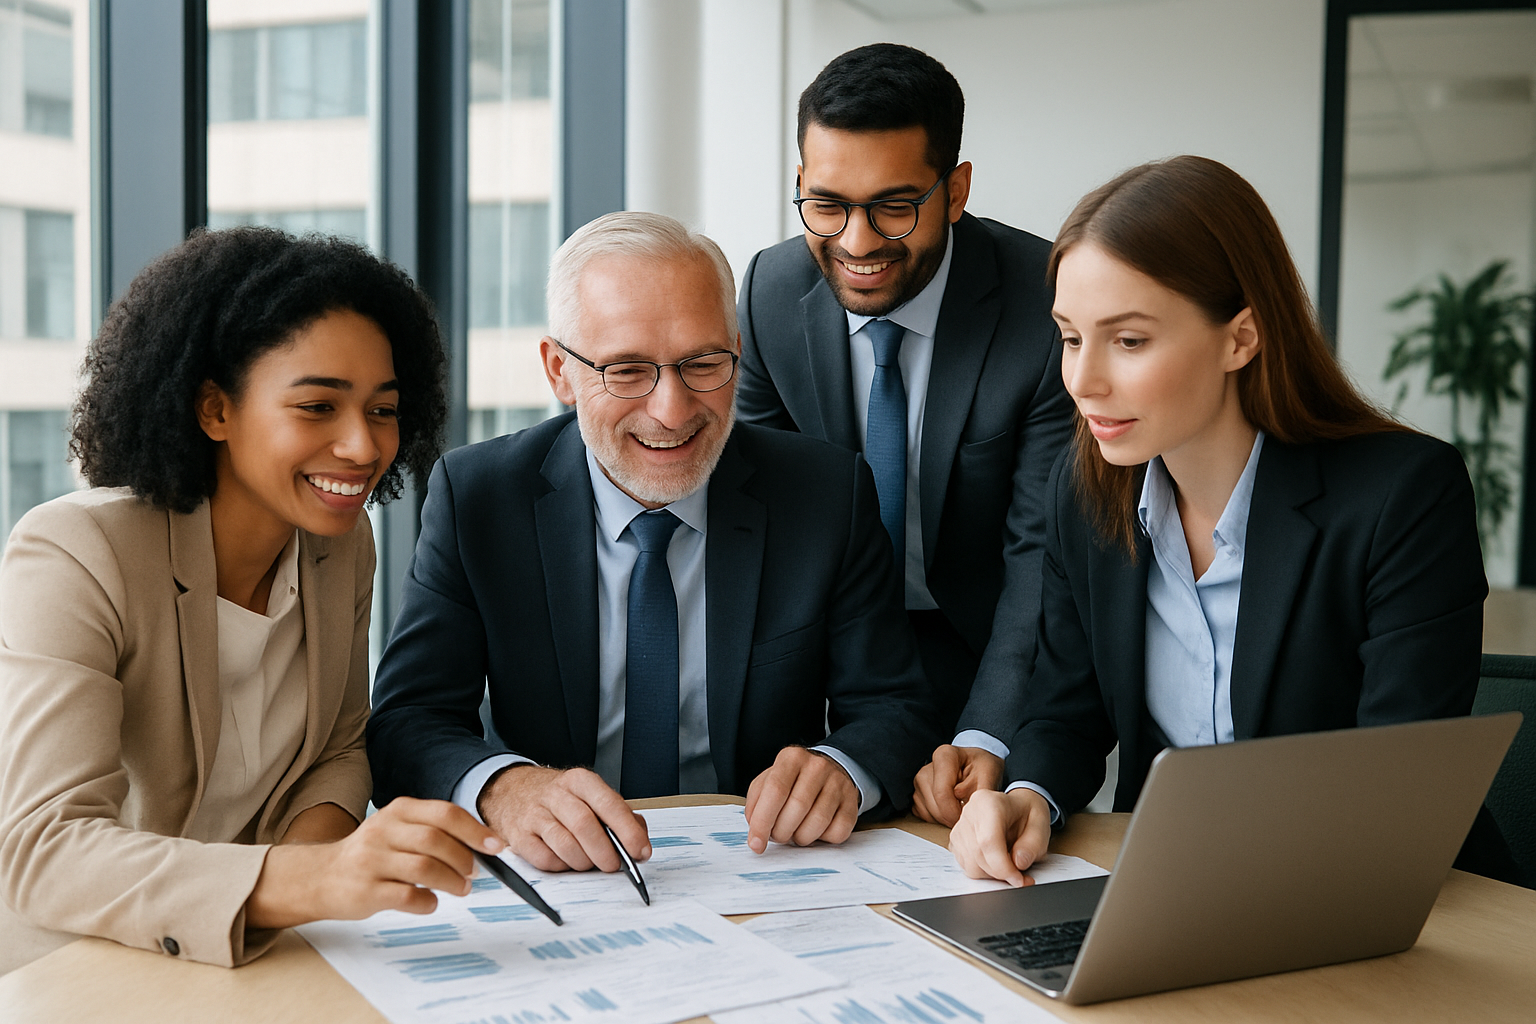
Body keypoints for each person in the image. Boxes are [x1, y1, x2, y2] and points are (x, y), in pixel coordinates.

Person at [947, 156, 1518, 886]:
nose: (1083, 382)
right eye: (1069, 337)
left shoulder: (1403, 498)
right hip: (1176, 887)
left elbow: (1394, 787)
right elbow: (1068, 709)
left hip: (1387, 899)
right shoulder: (1086, 492)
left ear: (1241, 337)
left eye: (1128, 341)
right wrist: (1028, 796)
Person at [367, 212, 938, 875]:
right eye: (628, 370)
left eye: (702, 363)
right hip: (562, 879)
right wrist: (504, 788)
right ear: (559, 371)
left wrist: (842, 768)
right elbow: (409, 722)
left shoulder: (824, 493)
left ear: (737, 350)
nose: (671, 409)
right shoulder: (480, 498)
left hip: (761, 871)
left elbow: (896, 708)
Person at [0, 228, 506, 975]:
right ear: (214, 410)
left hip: (261, 953)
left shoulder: (339, 545)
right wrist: (306, 880)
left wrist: (318, 881)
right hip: (84, 966)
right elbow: (46, 846)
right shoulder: (75, 552)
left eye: (383, 410)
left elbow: (336, 749)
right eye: (317, 407)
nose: (363, 447)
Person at [733, 43, 1074, 798]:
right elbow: (761, 527)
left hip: (986, 647)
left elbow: (1040, 555)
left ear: (954, 191)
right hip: (824, 661)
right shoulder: (766, 293)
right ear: (799, 183)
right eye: (826, 204)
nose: (857, 243)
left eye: (894, 206)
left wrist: (988, 733)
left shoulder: (1045, 305)